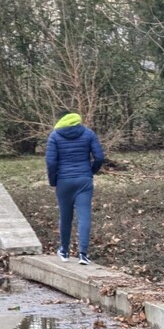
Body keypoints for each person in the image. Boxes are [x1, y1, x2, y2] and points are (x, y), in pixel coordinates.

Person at [45, 111, 105, 264]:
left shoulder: (55, 136)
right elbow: (99, 157)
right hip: (84, 180)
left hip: (64, 180)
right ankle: (83, 254)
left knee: (65, 216)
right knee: (84, 216)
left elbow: (51, 162)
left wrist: (53, 181)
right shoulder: (88, 133)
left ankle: (64, 251)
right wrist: (91, 172)